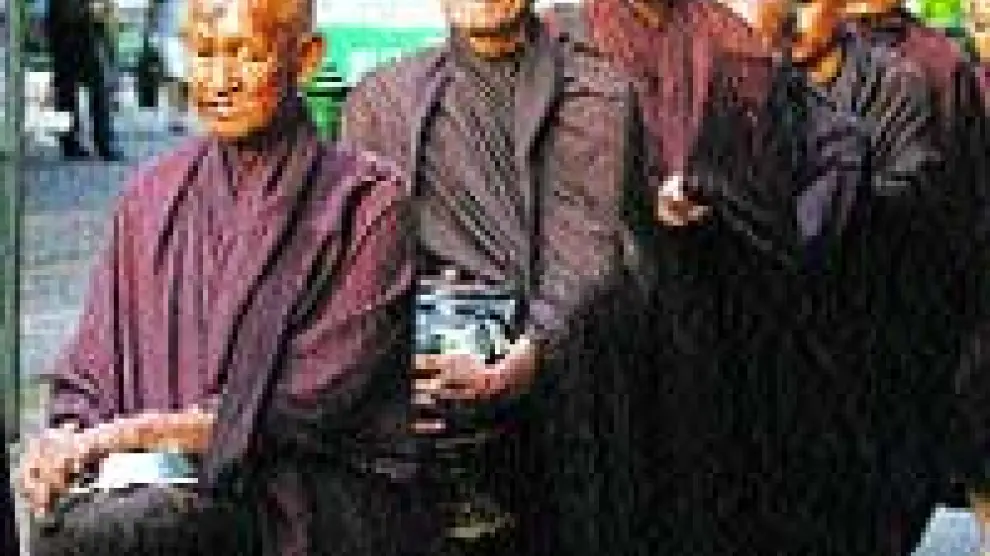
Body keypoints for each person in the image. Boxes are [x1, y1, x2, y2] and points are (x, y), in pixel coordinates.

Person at [17, 0, 435, 555]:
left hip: (300, 501)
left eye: (245, 54)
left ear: (307, 58)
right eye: (204, 53)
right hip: (153, 485)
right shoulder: (151, 197)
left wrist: (132, 436)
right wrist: (65, 441)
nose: (219, 80)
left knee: (117, 532)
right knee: (64, 518)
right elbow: (89, 374)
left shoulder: (365, 205)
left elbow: (302, 406)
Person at [580, 0, 912, 554]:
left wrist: (720, 193)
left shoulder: (736, 49)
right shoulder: (576, 44)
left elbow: (832, 164)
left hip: (732, 358)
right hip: (612, 348)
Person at [341, 1, 658, 554]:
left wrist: (531, 353)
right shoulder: (384, 99)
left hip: (557, 392)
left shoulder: (597, 95)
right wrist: (386, 374)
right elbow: (357, 273)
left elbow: (589, 254)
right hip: (420, 400)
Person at [45, 0, 120, 160]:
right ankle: (95, 143)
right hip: (75, 22)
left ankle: (78, 142)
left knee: (69, 87)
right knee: (76, 86)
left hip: (75, 23)